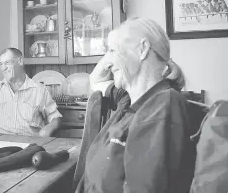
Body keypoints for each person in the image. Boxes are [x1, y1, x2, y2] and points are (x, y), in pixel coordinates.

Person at [75, 17, 194, 193]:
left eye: (113, 51)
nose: (108, 63)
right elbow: (95, 80)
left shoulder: (162, 107)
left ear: (142, 49)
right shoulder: (129, 100)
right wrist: (112, 50)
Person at [0, 47, 62, 137]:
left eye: (7, 63)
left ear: (20, 61)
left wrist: (48, 129)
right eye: (1, 64)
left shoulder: (39, 90)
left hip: (30, 144)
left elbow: (55, 118)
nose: (3, 68)